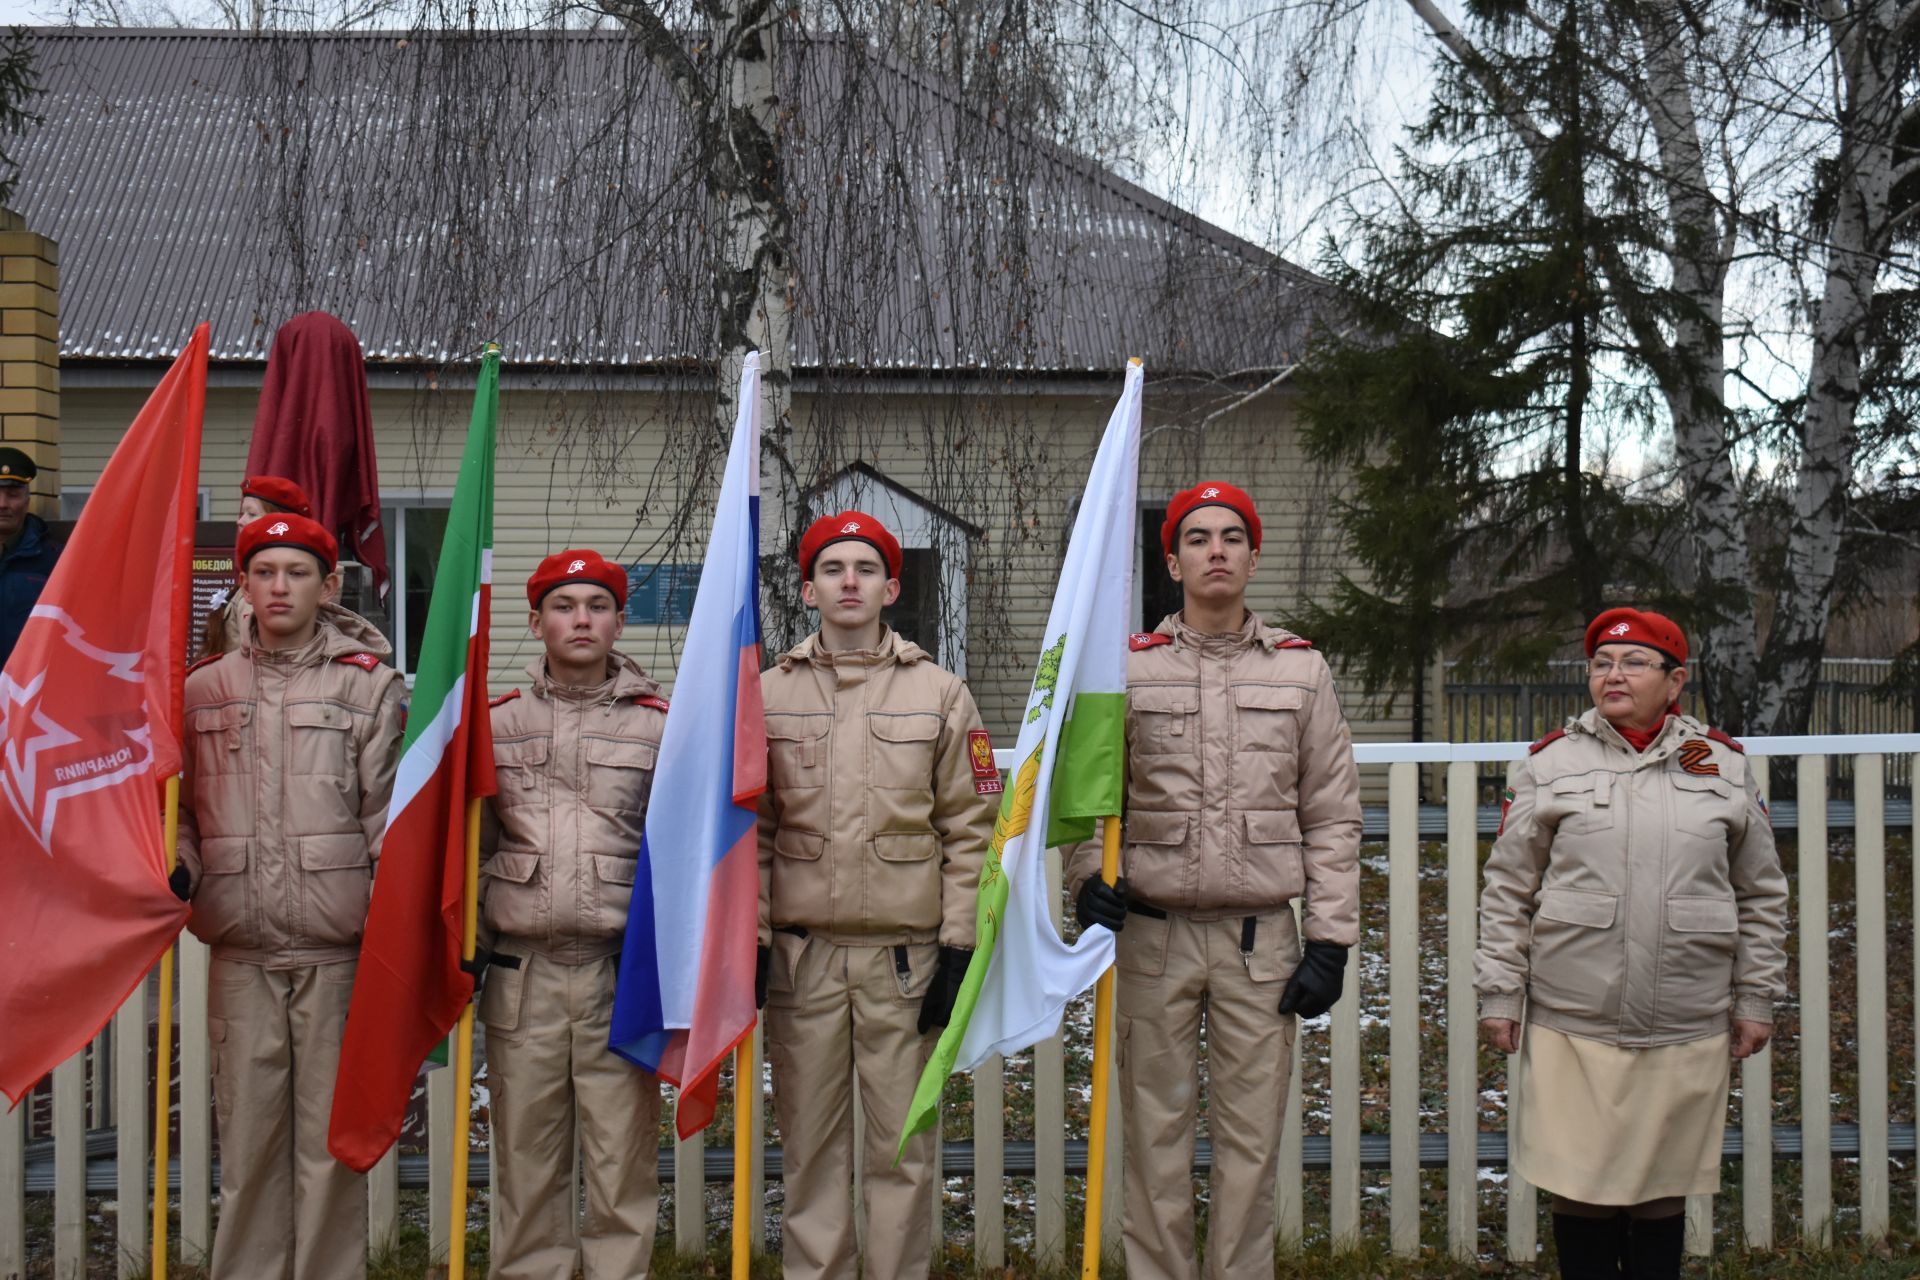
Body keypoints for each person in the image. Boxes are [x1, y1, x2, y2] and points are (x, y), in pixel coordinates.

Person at [1064, 480, 1361, 1280]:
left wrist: (1331, 937)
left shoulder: (1301, 674)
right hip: (1152, 939)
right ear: (1172, 561)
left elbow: (1331, 816)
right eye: (1198, 538)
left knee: (1251, 1142)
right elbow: (1091, 800)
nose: (1216, 550)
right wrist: (1088, 876)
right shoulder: (1127, 670)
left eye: (1232, 537)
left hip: (1261, 944)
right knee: (1154, 1137)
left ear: (1254, 556)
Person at [1476, 607, 1789, 1280]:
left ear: (1675, 683)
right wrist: (1501, 990)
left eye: (1633, 662)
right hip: (1573, 1021)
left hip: (1685, 1018)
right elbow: (1508, 889)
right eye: (1601, 664)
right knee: (1579, 1186)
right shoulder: (1550, 763)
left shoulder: (1723, 766)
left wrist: (1756, 996)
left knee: (1661, 1188)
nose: (1613, 674)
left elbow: (1761, 894)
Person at [757, 511, 997, 1280]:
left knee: (902, 1152)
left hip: (906, 964)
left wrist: (958, 946)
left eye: (866, 568)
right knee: (811, 1152)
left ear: (893, 586)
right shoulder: (765, 694)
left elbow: (972, 828)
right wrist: (750, 939)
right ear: (808, 589)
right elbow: (749, 835)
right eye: (833, 569)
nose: (849, 581)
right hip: (804, 963)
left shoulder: (942, 692)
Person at [172, 513, 406, 1280]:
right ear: (243, 584)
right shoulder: (202, 690)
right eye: (264, 571)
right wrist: (176, 863)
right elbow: (174, 811)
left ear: (329, 586)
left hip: (337, 954)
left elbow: (387, 821)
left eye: (297, 572)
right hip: (241, 952)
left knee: (331, 1146)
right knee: (246, 1146)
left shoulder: (367, 688)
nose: (279, 586)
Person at [475, 549, 667, 1280]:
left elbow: (678, 857)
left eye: (596, 606)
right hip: (523, 977)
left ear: (619, 621)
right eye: (564, 606)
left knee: (622, 1166)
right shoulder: (496, 723)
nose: (580, 619)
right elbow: (474, 849)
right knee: (526, 1164)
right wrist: (468, 948)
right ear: (536, 622)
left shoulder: (659, 727)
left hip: (619, 978)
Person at [200, 475, 314, 659]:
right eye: (242, 513)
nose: (241, 521)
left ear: (279, 524)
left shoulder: (268, 589)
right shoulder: (255, 580)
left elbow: (262, 663)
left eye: (251, 514)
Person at [0, 446, 61, 668]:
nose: (3, 504)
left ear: (27, 500)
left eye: (13, 494)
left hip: (27, 693)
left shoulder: (56, 562)